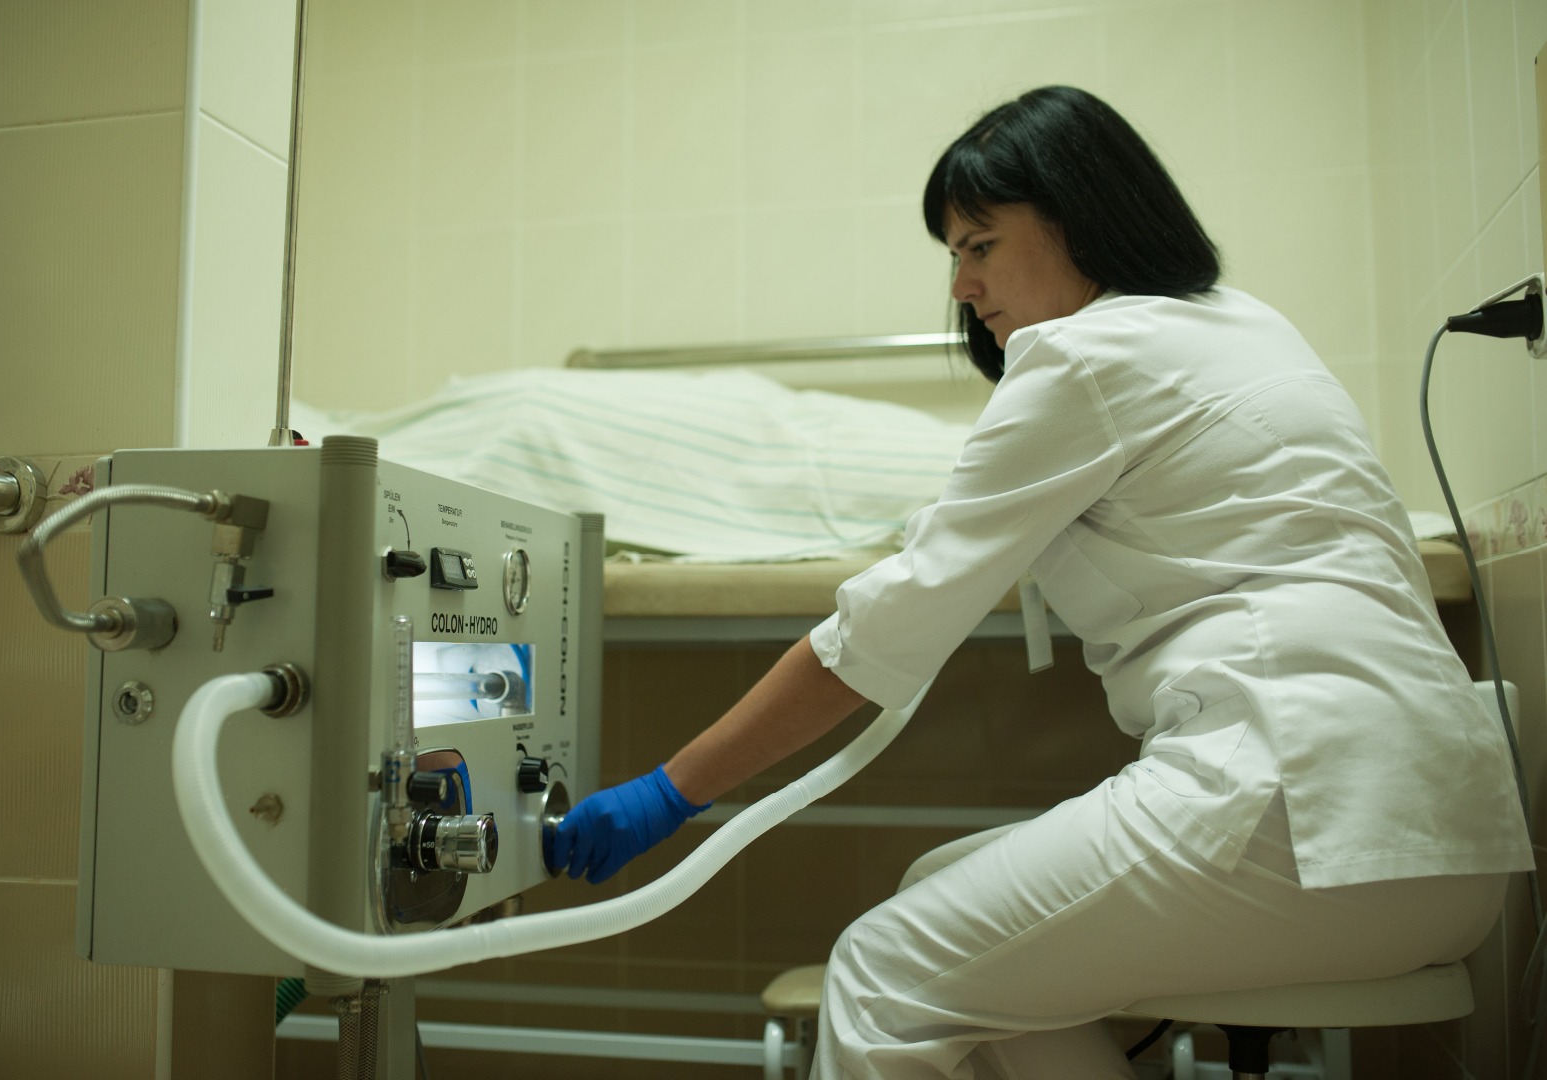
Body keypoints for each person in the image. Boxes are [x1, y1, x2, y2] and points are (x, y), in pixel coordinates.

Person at [547, 85, 1534, 1079]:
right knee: (947, 905)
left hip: (1297, 815)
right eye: (953, 255)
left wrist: (668, 792)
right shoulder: (1245, 325)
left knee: (881, 977)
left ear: (1079, 218)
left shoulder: (1083, 355)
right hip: (1452, 842)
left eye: (979, 245)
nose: (961, 287)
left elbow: (873, 638)